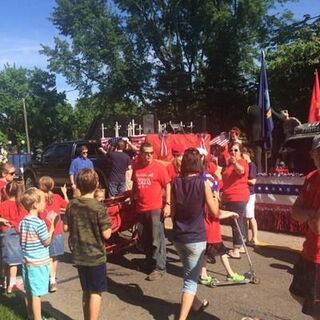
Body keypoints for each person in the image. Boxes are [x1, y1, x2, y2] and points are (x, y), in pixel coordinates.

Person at [171, 148, 219, 320]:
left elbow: (173, 212)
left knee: (188, 273)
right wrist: (215, 195)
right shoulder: (203, 184)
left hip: (179, 236)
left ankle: (196, 303)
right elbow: (214, 212)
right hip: (195, 237)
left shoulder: (175, 182)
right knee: (190, 282)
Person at [63, 168, 112, 320]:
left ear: (77, 184)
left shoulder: (71, 205)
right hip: (95, 256)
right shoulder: (99, 207)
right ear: (96, 184)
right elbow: (107, 234)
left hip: (79, 255)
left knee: (86, 291)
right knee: (96, 292)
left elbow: (66, 228)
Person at [289, 134, 320, 320]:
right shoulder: (311, 177)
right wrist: (310, 214)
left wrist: (306, 214)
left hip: (318, 257)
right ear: (312, 154)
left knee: (316, 309)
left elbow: (318, 226)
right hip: (309, 251)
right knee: (297, 292)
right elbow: (294, 212)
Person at [132, 142, 171, 281]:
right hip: (141, 208)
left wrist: (168, 204)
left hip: (155, 208)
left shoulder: (159, 168)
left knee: (157, 239)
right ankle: (149, 262)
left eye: (151, 153)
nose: (149, 156)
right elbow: (135, 186)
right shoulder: (136, 167)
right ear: (141, 153)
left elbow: (167, 184)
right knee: (145, 238)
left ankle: (160, 268)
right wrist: (132, 197)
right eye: (146, 153)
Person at [19, 188, 57, 320]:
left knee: (29, 291)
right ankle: (37, 318)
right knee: (36, 294)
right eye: (43, 201)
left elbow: (22, 239)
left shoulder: (23, 221)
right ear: (35, 204)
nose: (45, 203)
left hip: (27, 261)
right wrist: (52, 227)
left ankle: (30, 314)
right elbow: (46, 241)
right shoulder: (39, 223)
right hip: (38, 263)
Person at [38, 176, 69, 293]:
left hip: (41, 231)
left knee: (44, 256)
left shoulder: (38, 199)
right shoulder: (56, 197)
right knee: (54, 257)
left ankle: (44, 279)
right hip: (56, 231)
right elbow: (67, 205)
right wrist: (65, 193)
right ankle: (52, 280)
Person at [221, 142, 249, 259]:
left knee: (235, 222)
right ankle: (241, 246)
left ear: (241, 152)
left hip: (237, 196)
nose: (233, 152)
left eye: (236, 150)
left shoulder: (242, 162)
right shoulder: (228, 164)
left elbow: (241, 171)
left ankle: (236, 249)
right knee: (238, 222)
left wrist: (235, 163)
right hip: (230, 197)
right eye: (231, 150)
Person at [0, 180, 26, 293]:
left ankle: (5, 280)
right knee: (14, 261)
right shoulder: (21, 206)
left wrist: (3, 220)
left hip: (4, 233)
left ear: (6, 191)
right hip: (16, 233)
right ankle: (12, 284)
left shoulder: (3, 205)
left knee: (6, 258)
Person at [242, 147, 259, 246]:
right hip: (244, 193)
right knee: (245, 217)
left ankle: (254, 238)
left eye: (242, 153)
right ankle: (247, 238)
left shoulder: (251, 165)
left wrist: (242, 180)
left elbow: (253, 181)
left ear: (247, 154)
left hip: (250, 193)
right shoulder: (243, 165)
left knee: (251, 216)